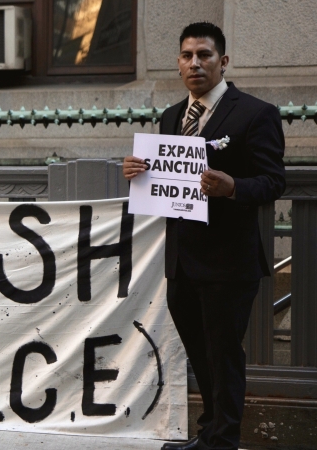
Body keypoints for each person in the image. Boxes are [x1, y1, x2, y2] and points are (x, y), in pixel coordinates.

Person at [123, 23, 285, 450]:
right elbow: (167, 181)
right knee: (199, 353)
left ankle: (224, 440)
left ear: (223, 61)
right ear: (178, 64)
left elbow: (273, 182)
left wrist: (232, 186)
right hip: (182, 260)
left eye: (205, 55)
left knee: (224, 356)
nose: (195, 63)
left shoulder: (256, 113)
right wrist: (138, 173)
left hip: (230, 262)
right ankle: (208, 433)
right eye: (187, 55)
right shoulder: (171, 116)